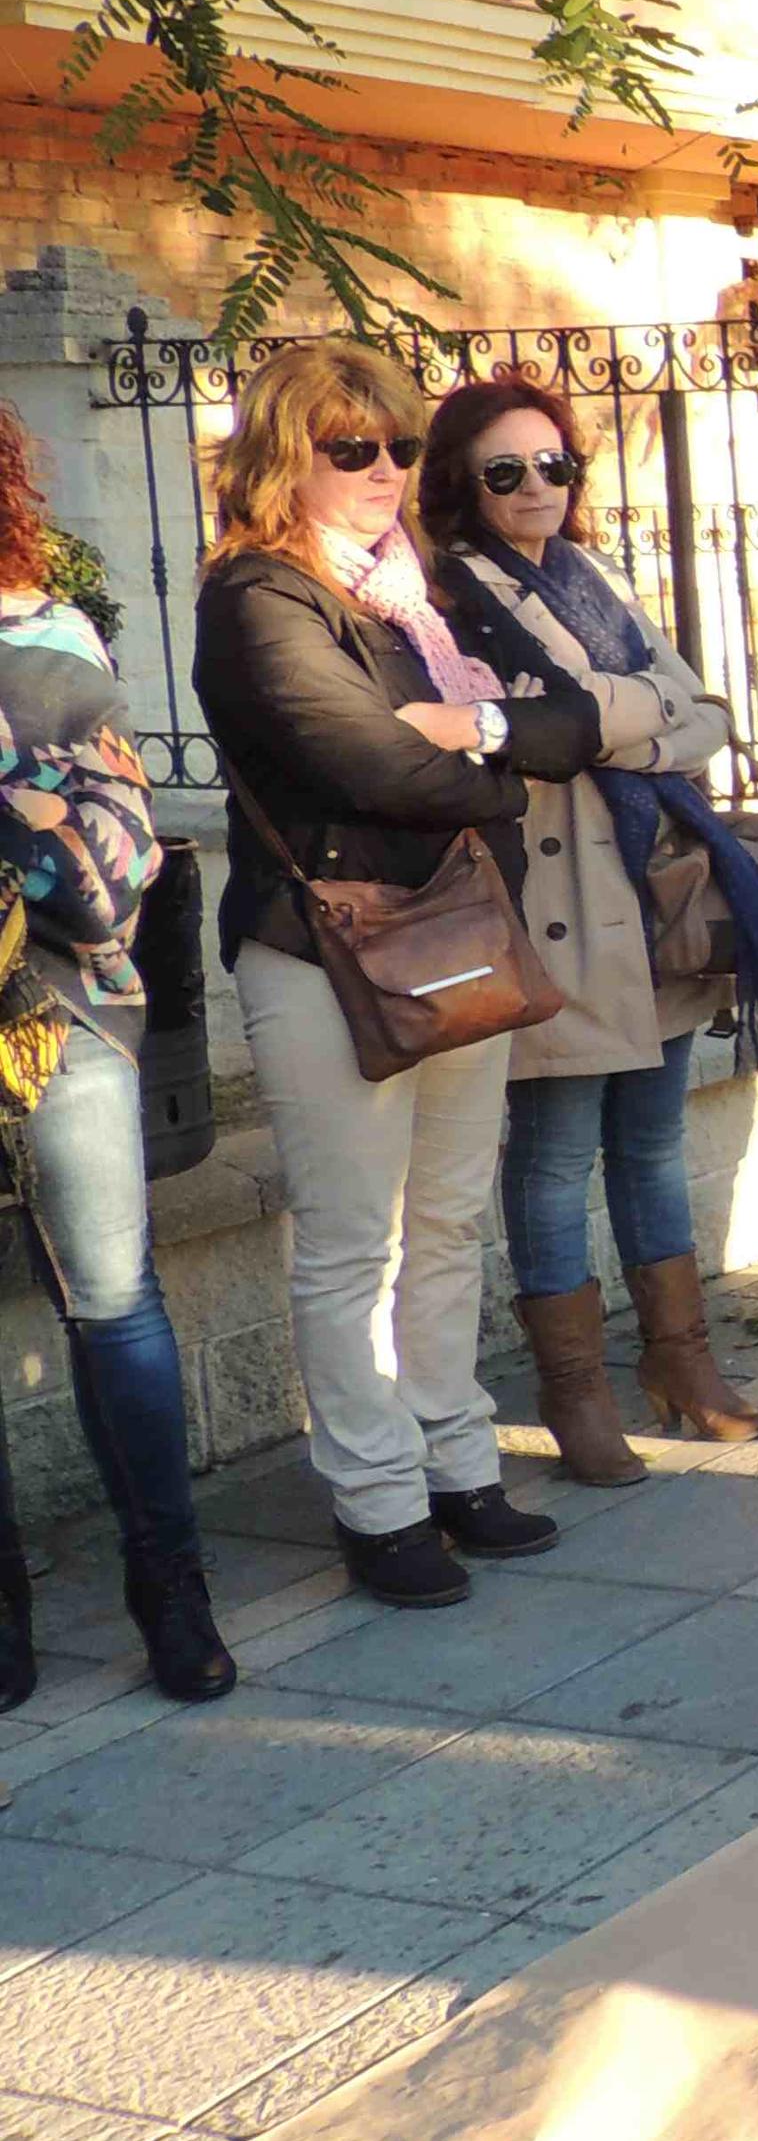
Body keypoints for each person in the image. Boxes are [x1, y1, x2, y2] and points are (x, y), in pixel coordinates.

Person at [195, 341, 605, 1607]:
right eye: (351, 448)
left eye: (400, 446)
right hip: (333, 951)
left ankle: (454, 1461)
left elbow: (576, 715)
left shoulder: (415, 591)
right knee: (352, 1241)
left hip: (457, 933)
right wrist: (497, 769)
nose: (385, 470)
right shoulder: (260, 596)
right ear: (285, 459)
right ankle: (377, 1501)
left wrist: (472, 726)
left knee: (446, 1220)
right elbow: (366, 764)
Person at [426, 379, 758, 1481]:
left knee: (651, 1142)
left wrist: (609, 721)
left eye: (554, 465)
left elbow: (702, 713)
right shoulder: (454, 594)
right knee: (553, 1157)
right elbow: (549, 728)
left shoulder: (593, 577)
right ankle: (577, 1392)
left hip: (649, 898)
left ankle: (681, 1362)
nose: (536, 488)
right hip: (552, 906)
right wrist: (622, 716)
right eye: (506, 471)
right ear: (463, 482)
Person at [0, 405, 233, 1707]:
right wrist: (21, 800)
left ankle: (171, 1586)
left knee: (109, 1298)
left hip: (65, 1015)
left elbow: (110, 869)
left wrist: (34, 819)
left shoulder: (49, 635)